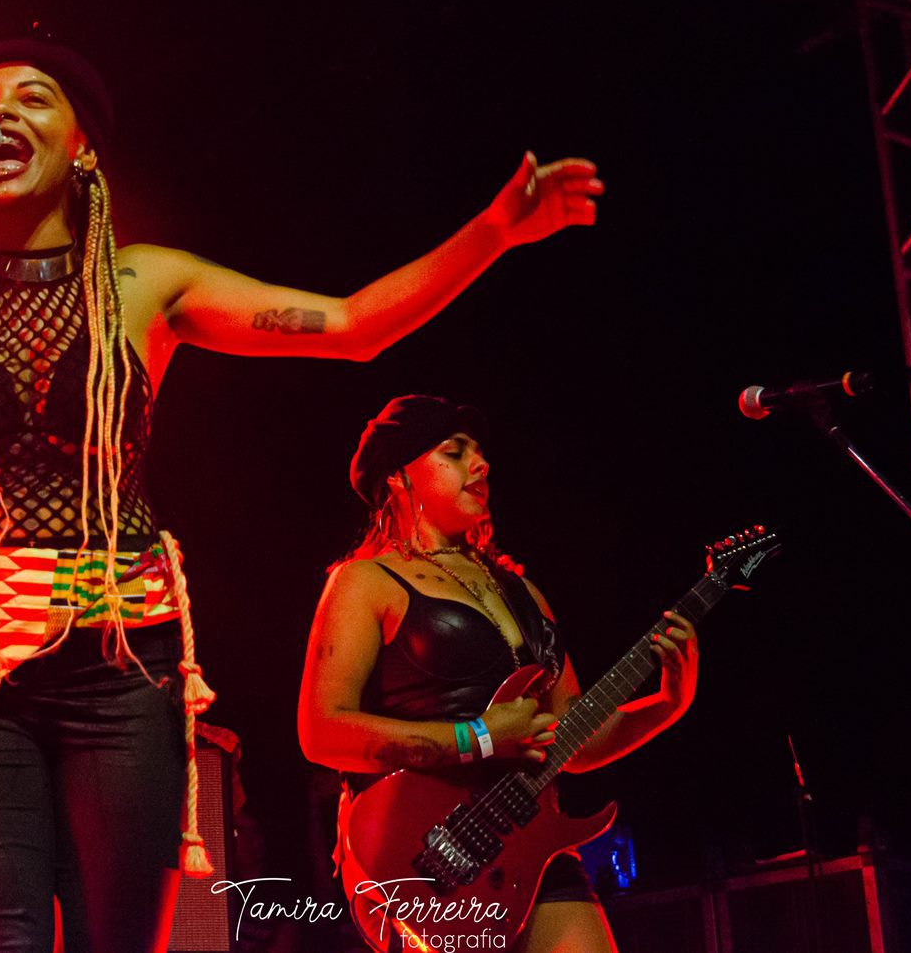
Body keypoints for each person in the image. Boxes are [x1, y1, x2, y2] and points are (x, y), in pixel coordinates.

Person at [0, 38, 601, 953]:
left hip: (120, 652)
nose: (0, 112)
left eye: (34, 98)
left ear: (83, 149)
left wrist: (494, 233)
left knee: (124, 938)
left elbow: (349, 328)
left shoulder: (144, 283)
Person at [297, 395, 698, 953]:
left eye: (482, 456)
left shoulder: (524, 593)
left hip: (528, 843)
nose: (480, 467)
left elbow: (572, 739)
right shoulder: (366, 580)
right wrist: (480, 737)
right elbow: (323, 731)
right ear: (397, 477)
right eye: (454, 453)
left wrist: (666, 705)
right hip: (422, 852)